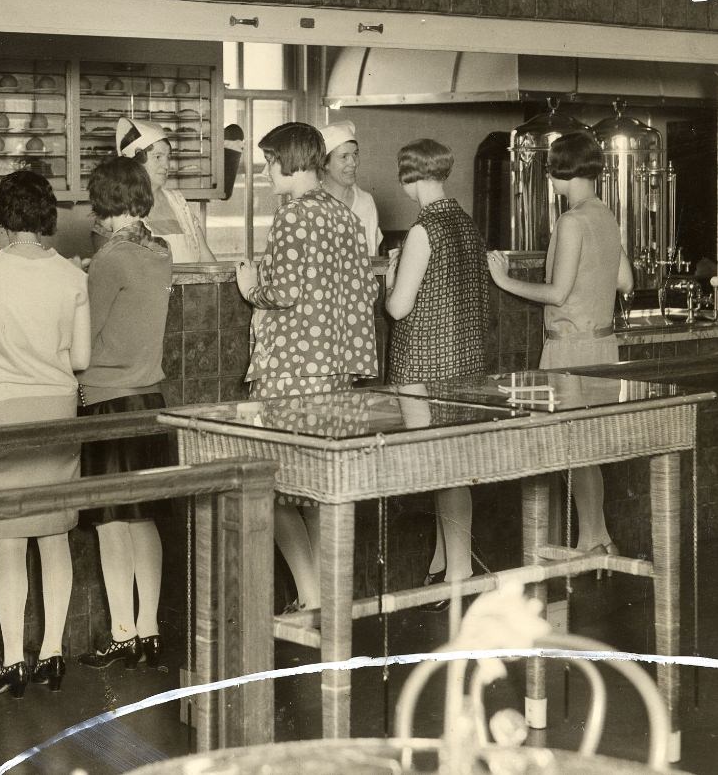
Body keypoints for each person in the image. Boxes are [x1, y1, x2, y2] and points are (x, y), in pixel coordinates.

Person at [0, 170, 89, 697]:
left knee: (7, 543)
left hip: (1, 409)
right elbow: (80, 359)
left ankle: (12, 662)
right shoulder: (72, 277)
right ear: (47, 215)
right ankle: (52, 653)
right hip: (55, 410)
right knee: (54, 534)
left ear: (3, 216)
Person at [235, 122, 378, 616]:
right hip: (334, 371)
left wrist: (251, 287)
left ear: (290, 162)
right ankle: (326, 595)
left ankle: (311, 593)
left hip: (291, 370)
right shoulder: (343, 215)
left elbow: (285, 293)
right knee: (319, 490)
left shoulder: (293, 217)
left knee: (273, 489)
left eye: (270, 161)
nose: (266, 171)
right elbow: (366, 291)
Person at [488, 131, 632, 555]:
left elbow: (556, 294)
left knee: (569, 449)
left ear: (563, 170)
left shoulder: (571, 221)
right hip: (604, 346)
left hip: (570, 347)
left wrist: (503, 279)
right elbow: (625, 281)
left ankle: (586, 542)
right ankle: (597, 538)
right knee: (587, 449)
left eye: (551, 170)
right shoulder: (605, 214)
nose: (549, 179)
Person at [76, 156, 173, 670]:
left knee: (111, 522)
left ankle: (121, 632)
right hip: (150, 396)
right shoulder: (161, 250)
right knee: (143, 519)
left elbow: (84, 340)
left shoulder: (110, 259)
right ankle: (151, 629)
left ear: (104, 201)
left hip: (107, 396)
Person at [384, 138, 490, 600]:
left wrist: (389, 280)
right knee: (455, 469)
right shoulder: (467, 225)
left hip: (422, 366)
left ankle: (455, 578)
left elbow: (399, 308)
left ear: (409, 179)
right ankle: (448, 564)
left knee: (438, 470)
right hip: (464, 362)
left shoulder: (423, 230)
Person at [94, 116, 216, 263]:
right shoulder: (117, 205)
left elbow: (207, 260)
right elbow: (110, 266)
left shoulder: (178, 202)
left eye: (168, 157)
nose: (167, 165)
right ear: (134, 162)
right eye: (158, 157)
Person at [317, 120, 383, 256]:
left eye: (355, 154)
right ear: (325, 164)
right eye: (344, 157)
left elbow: (372, 253)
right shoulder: (313, 203)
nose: (353, 163)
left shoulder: (366, 201)